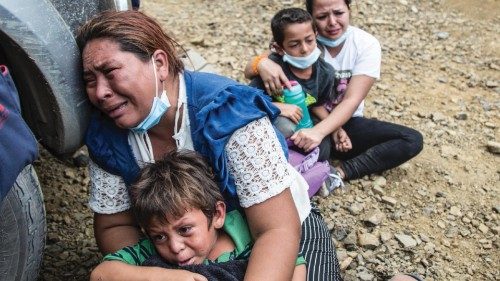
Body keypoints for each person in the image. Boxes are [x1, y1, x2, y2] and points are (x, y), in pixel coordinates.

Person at [77, 10, 341, 281]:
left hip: (279, 233)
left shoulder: (230, 113)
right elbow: (115, 225)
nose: (100, 92)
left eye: (111, 72)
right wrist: (159, 271)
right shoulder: (107, 133)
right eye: (89, 81)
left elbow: (276, 230)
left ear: (159, 63)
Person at [245, 0, 423, 187]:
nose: (332, 22)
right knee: (286, 131)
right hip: (303, 121)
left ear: (349, 10)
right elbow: (252, 72)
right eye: (322, 16)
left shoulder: (364, 45)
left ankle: (339, 172)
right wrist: (261, 63)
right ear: (312, 19)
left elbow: (351, 100)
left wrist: (326, 131)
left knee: (410, 139)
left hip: (341, 122)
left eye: (338, 13)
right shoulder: (298, 37)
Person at [91, 150, 306, 281]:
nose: (175, 247)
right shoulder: (152, 250)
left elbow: (294, 263)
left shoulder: (245, 238)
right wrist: (164, 277)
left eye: (185, 230)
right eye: (160, 236)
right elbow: (101, 274)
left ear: (217, 214)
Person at [248, 7, 352, 164]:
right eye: (294, 44)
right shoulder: (273, 71)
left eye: (309, 40)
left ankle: (295, 162)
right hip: (273, 125)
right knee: (285, 126)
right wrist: (277, 107)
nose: (304, 49)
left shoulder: (325, 73)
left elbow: (317, 104)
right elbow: (246, 100)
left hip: (304, 124)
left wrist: (336, 129)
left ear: (316, 36)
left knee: (323, 149)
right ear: (279, 48)